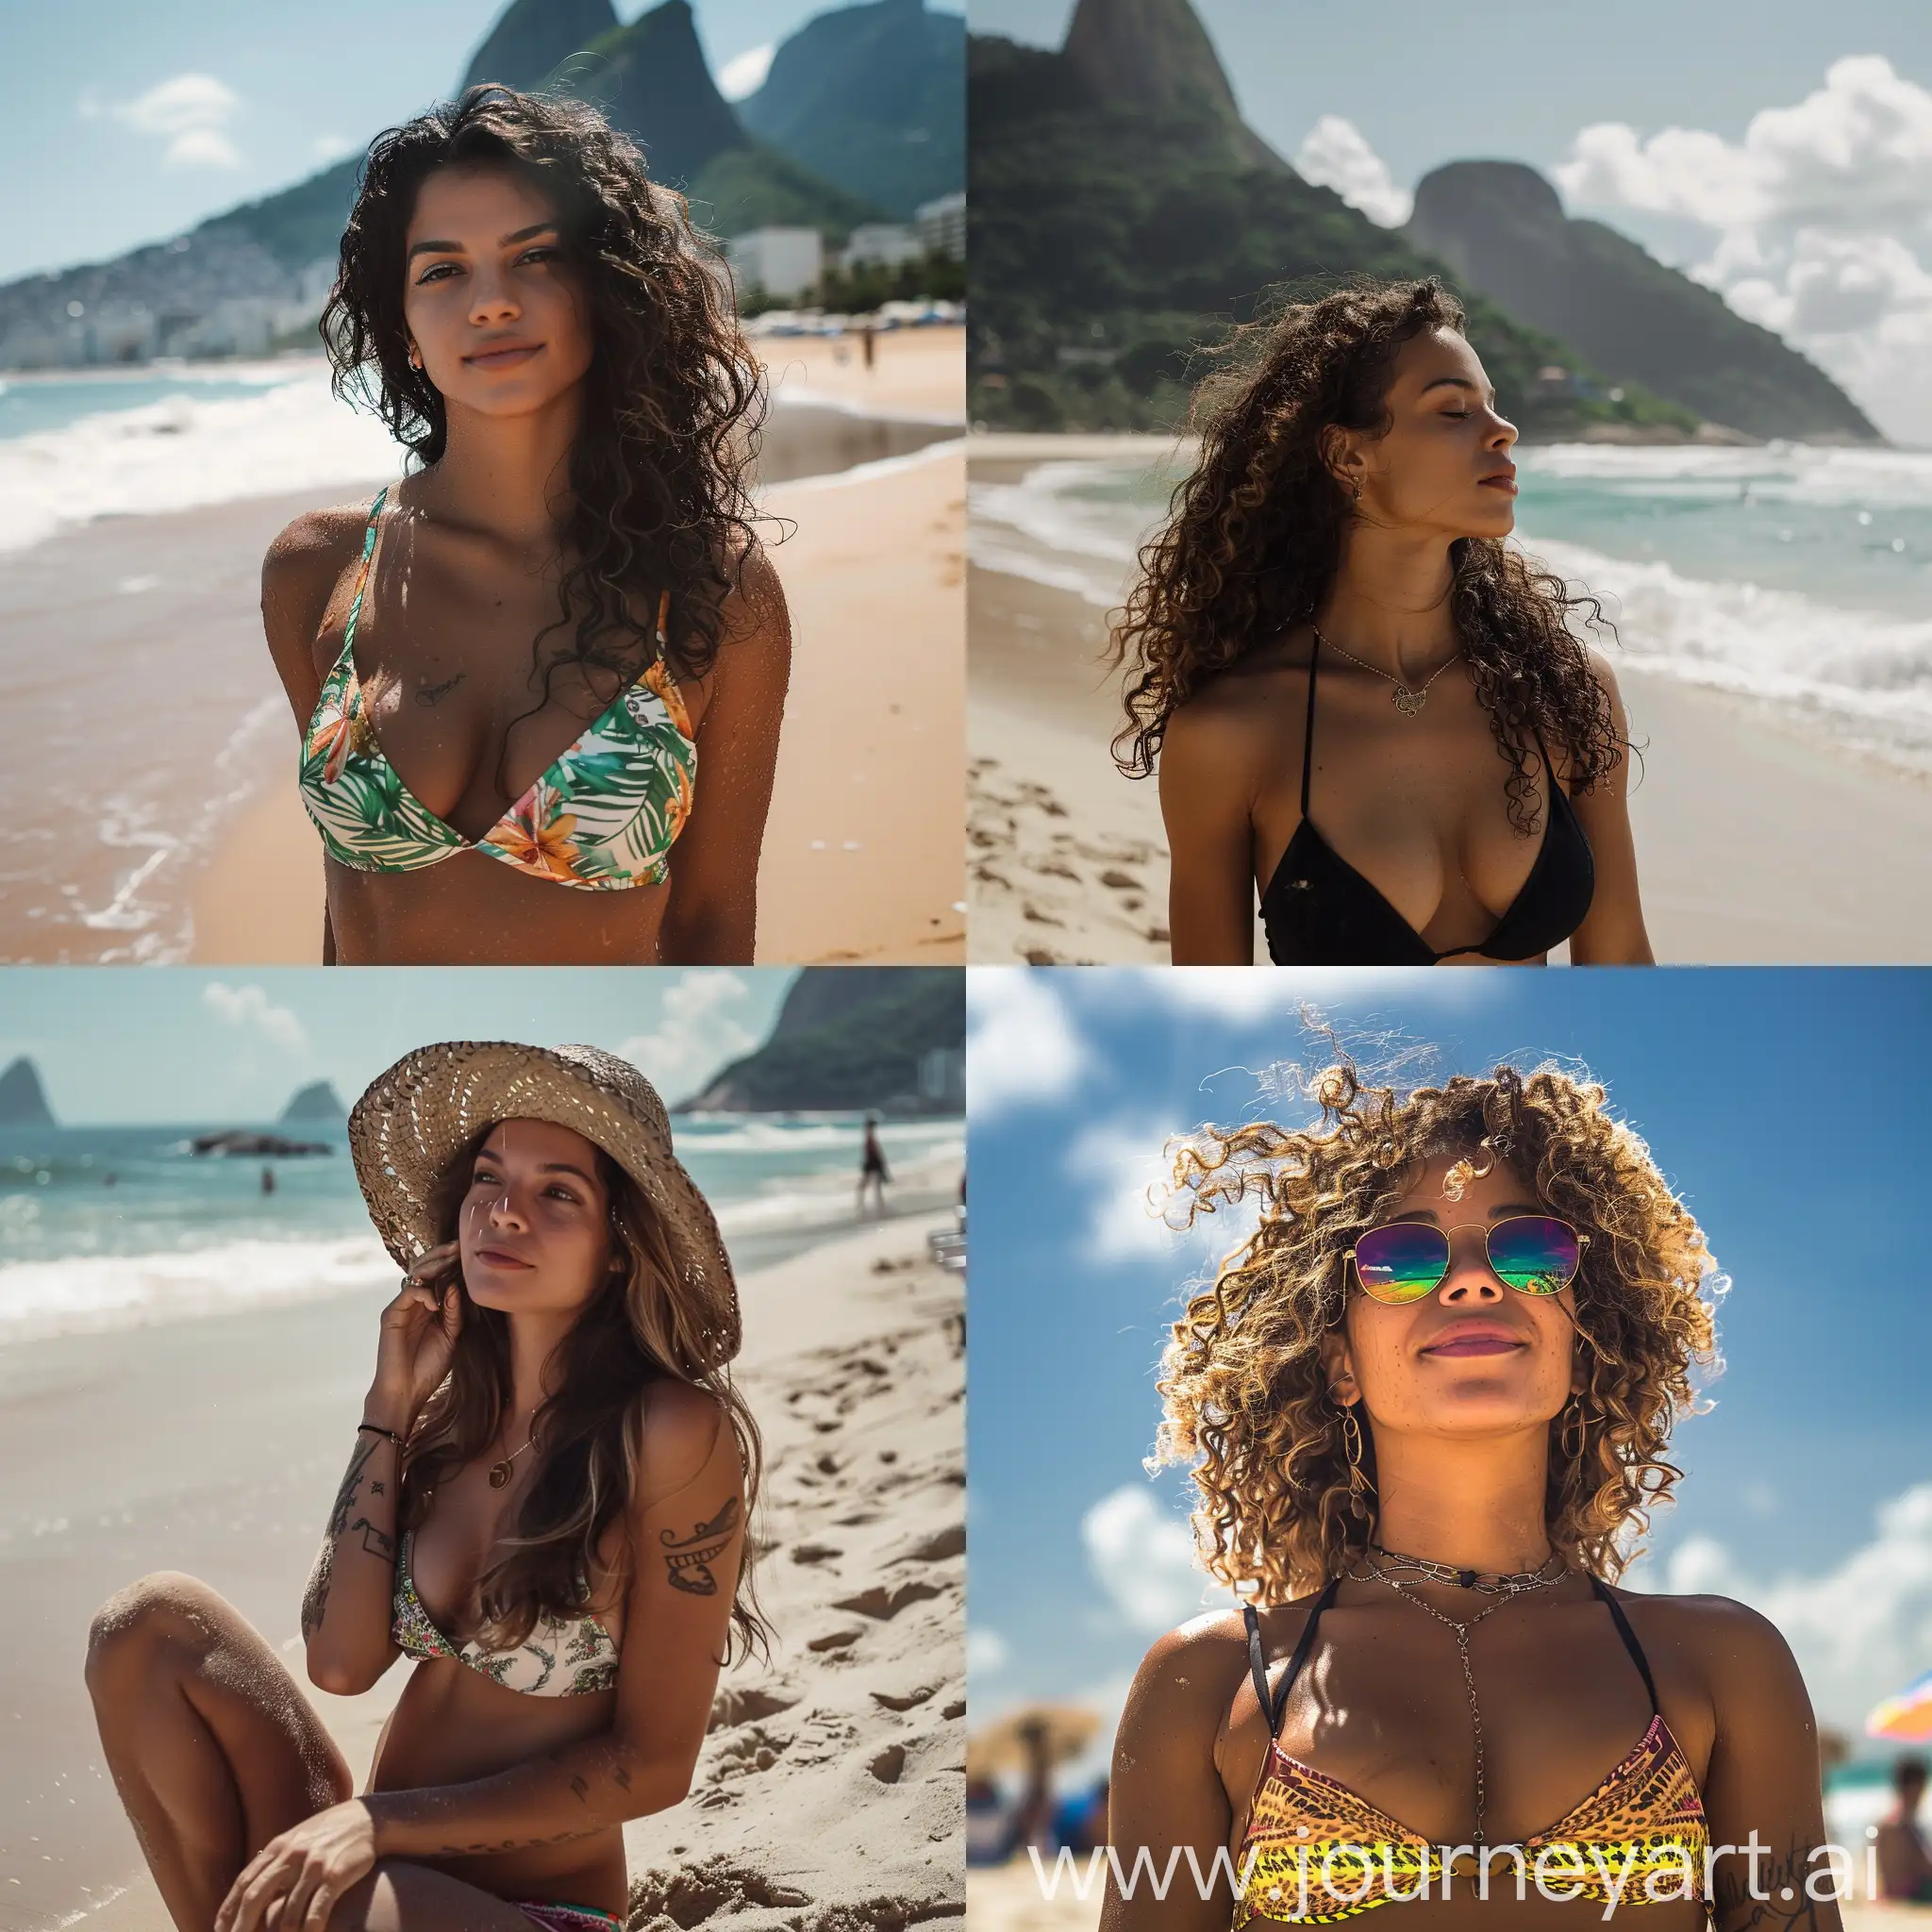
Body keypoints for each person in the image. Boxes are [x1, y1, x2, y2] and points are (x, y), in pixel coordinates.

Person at [1104, 1061, 1837, 1928]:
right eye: (1404, 1256)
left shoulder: (1722, 1664)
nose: (1473, 1282)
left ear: (1581, 1332)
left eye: (1528, 1250)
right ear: (1338, 1361)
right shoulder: (1215, 1681)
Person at [85, 1041, 766, 1932]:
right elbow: (340, 1663)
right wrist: (389, 1410)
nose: (506, 1213)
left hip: (527, 1908)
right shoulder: (449, 1428)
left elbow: (655, 1765)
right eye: (490, 1180)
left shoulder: (667, 1430)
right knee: (147, 1626)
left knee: (319, 1911)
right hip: (367, 1869)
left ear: (617, 1248)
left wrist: (378, 1822)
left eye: (557, 1192)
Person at [265, 88, 791, 966]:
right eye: (441, 270)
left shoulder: (711, 586)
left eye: (534, 258)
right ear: (404, 323)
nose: (490, 303)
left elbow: (711, 923)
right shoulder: (317, 570)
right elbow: (342, 896)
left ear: (604, 285)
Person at [1111, 279, 1652, 967]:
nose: (1503, 429)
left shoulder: (1566, 689)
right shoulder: (1231, 731)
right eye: (1454, 411)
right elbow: (1208, 1007)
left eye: (1494, 406)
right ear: (1347, 455)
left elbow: (1622, 961)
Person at [1876, 1756, 1932, 1902]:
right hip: (1908, 1893)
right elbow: (1923, 1866)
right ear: (1917, 1786)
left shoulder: (1890, 1822)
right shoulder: (1901, 1825)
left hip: (1898, 1892)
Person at [858, 1113, 891, 1218]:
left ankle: (865, 1208)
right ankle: (878, 1208)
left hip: (872, 1163)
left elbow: (872, 1152)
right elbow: (875, 1152)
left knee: (867, 1186)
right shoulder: (870, 1138)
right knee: (875, 1186)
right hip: (873, 1163)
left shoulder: (869, 1138)